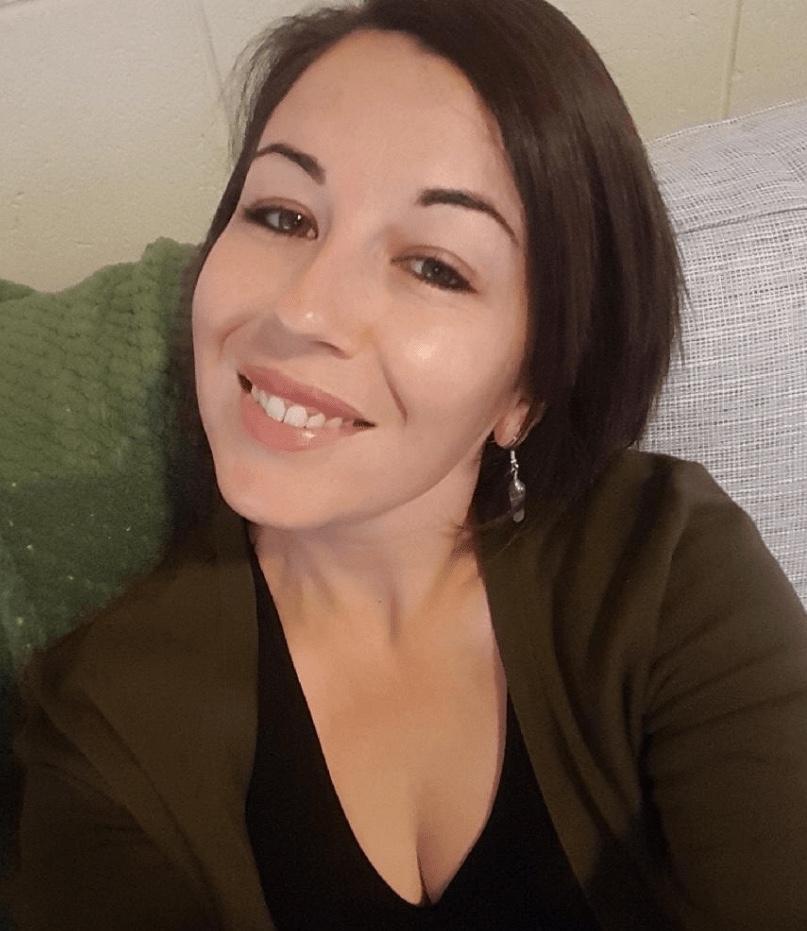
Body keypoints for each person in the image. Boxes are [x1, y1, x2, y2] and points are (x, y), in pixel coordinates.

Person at [7, 0, 807, 928]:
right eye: (281, 214)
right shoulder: (104, 721)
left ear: (530, 387)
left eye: (434, 267)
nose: (302, 310)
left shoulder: (666, 567)